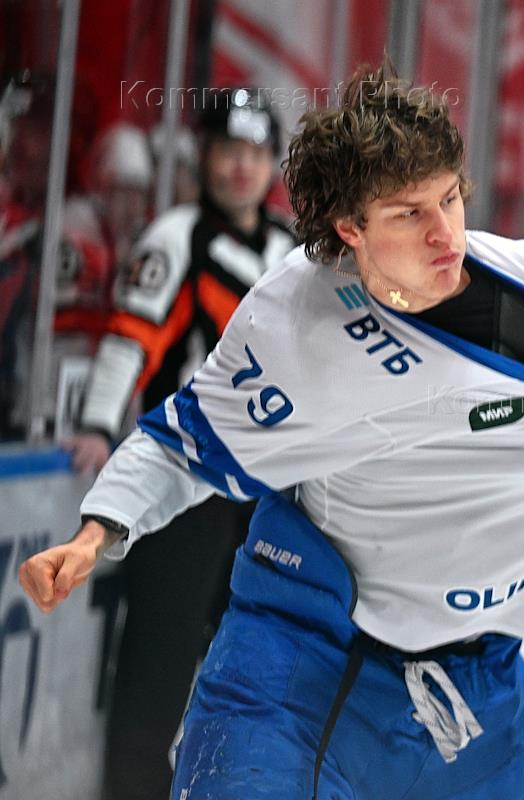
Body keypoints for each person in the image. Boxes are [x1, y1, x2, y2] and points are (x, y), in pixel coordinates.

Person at [19, 62, 524, 799]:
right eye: (407, 214)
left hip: (475, 697)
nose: (444, 234)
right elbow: (187, 440)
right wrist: (95, 533)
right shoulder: (298, 317)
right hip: (299, 669)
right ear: (351, 230)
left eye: (450, 199)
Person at [63, 88, 296, 800]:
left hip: (264, 493)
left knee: (251, 662)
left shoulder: (292, 251)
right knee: (159, 659)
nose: (241, 168)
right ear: (202, 157)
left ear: (272, 163)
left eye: (255, 153)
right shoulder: (176, 237)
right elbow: (129, 341)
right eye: (228, 151)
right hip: (184, 482)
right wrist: (98, 425)